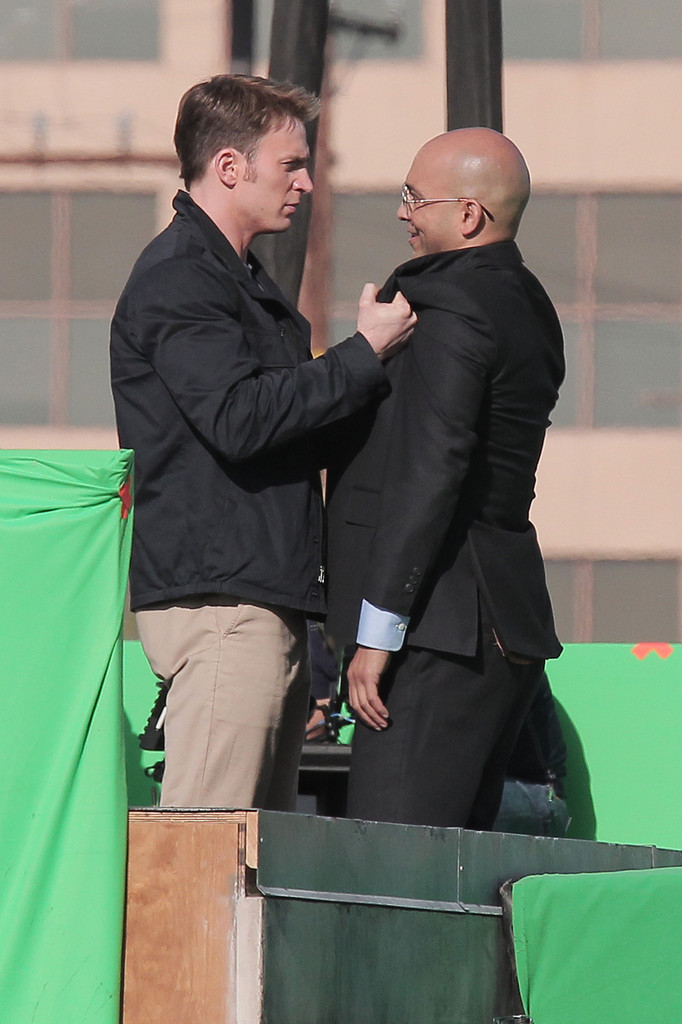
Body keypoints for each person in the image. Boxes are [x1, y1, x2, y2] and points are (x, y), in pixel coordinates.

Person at [110, 74, 415, 810]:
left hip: (257, 603)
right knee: (206, 849)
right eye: (291, 164)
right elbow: (239, 417)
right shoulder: (181, 277)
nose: (306, 182)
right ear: (229, 167)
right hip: (224, 610)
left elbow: (279, 420)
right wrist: (362, 356)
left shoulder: (231, 276)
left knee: (249, 856)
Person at [324, 127, 565, 830]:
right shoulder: (529, 302)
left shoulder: (449, 304)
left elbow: (429, 474)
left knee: (395, 861)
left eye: (414, 197)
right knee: (453, 863)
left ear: (467, 214)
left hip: (441, 629)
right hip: (499, 624)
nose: (402, 212)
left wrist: (377, 633)